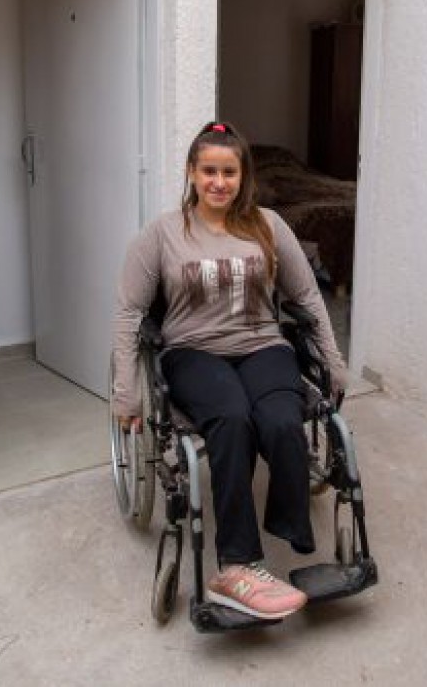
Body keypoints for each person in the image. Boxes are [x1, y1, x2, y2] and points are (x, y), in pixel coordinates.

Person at [112, 121, 348, 621]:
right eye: (209, 171)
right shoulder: (162, 234)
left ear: (243, 176)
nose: (219, 182)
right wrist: (126, 393)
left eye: (229, 172)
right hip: (193, 351)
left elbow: (307, 297)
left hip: (262, 345)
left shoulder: (268, 225)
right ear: (192, 173)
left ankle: (288, 529)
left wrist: (333, 360)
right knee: (232, 418)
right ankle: (236, 566)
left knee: (282, 420)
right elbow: (130, 313)